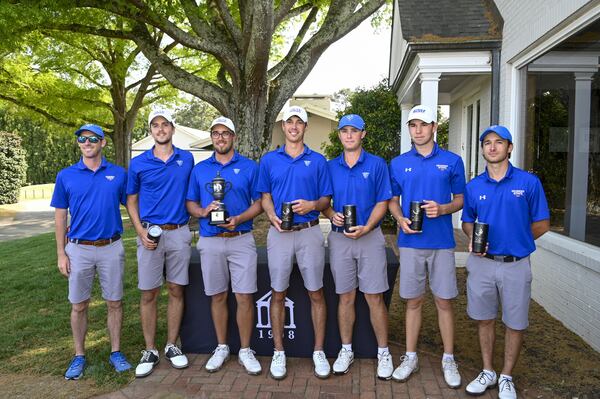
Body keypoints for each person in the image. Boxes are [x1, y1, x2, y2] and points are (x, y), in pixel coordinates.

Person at [461, 125, 549, 399]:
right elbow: (466, 222)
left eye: (499, 142)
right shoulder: (474, 186)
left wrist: (519, 241)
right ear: (483, 149)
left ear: (509, 147)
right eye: (487, 142)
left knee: (515, 322)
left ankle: (507, 376)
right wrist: (472, 237)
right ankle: (488, 371)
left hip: (516, 264)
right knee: (484, 319)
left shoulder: (528, 183)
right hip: (482, 263)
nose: (493, 147)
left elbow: (543, 223)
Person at [388, 105, 465, 388]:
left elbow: (460, 199)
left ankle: (448, 358)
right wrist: (398, 218)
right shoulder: (397, 163)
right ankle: (410, 357)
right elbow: (393, 200)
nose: (417, 130)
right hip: (410, 242)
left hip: (442, 242)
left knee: (444, 301)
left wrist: (443, 208)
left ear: (434, 127)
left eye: (423, 124)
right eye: (413, 125)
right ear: (409, 129)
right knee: (413, 301)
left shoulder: (452, 161)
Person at [257, 105, 333, 380]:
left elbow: (326, 200)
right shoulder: (269, 160)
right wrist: (271, 214)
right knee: (277, 293)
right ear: (283, 126)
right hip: (279, 233)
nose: (293, 126)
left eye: (299, 122)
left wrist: (313, 204)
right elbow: (264, 196)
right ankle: (279, 351)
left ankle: (319, 351)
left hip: (310, 231)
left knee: (316, 293)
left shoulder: (318, 160)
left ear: (305, 127)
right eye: (289, 121)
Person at [51, 124, 131, 379]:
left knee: (115, 303)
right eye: (82, 139)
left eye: (92, 139)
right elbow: (60, 216)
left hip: (111, 247)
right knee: (79, 305)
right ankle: (79, 355)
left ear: (103, 143)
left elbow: (133, 204)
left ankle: (116, 352)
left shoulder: (119, 174)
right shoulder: (66, 175)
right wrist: (61, 253)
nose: (87, 143)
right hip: (78, 249)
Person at [186, 116, 263, 375]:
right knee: (217, 295)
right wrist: (203, 211)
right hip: (209, 240)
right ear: (212, 138)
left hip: (241, 238)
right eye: (216, 133)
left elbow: (260, 203)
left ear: (234, 137)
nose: (220, 138)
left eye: (225, 133)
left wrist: (239, 218)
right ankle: (221, 347)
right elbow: (190, 203)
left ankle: (244, 349)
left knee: (244, 296)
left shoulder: (250, 167)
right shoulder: (200, 169)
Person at [322, 114, 394, 379]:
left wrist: (367, 226)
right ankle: (346, 349)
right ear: (339, 135)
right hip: (340, 239)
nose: (349, 135)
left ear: (363, 133)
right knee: (346, 296)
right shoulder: (330, 166)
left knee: (374, 297)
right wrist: (330, 214)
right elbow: (324, 201)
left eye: (354, 130)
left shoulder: (376, 164)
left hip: (370, 237)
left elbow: (383, 202)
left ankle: (383, 352)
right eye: (344, 131)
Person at [126, 109, 194, 378]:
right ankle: (150, 349)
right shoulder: (139, 162)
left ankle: (171, 345)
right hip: (150, 234)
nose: (161, 129)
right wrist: (140, 231)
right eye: (155, 125)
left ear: (173, 129)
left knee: (176, 289)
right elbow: (131, 201)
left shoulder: (186, 159)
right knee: (149, 293)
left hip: (178, 231)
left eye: (165, 124)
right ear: (151, 131)